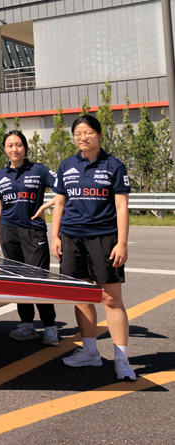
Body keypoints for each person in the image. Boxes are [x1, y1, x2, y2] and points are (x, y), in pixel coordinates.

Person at [51, 114, 135, 380]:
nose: (82, 137)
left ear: (99, 135)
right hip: (72, 239)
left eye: (87, 132)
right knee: (82, 296)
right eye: (77, 133)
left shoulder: (113, 165)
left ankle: (122, 360)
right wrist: (56, 236)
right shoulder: (66, 165)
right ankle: (90, 353)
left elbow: (122, 207)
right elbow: (60, 203)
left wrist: (122, 243)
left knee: (111, 299)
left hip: (104, 239)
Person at [0, 130, 59, 345]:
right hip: (8, 231)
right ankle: (27, 325)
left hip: (33, 231)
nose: (14, 149)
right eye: (10, 145)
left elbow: (64, 188)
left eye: (18, 145)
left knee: (38, 279)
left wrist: (47, 205)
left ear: (25, 147)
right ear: (4, 149)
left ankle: (50, 327)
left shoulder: (39, 170)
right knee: (18, 279)